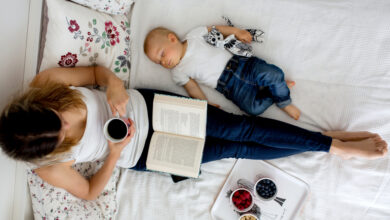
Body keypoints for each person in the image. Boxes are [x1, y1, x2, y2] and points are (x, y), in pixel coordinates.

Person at [0, 66, 387, 200]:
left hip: (152, 107)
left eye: (58, 117)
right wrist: (115, 154)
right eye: (61, 135)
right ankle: (326, 145)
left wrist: (114, 87)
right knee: (237, 149)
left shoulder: (47, 81)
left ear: (36, 103)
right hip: (145, 154)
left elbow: (100, 75)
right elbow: (88, 192)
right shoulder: (47, 165)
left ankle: (333, 147)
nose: (67, 126)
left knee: (244, 128)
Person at [143, 26, 301, 119]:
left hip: (241, 64)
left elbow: (217, 29)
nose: (163, 62)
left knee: (273, 73)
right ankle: (274, 90)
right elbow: (192, 88)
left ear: (172, 39)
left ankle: (284, 101)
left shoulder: (194, 36)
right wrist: (205, 103)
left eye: (162, 54)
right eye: (159, 62)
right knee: (253, 109)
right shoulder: (178, 72)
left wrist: (237, 32)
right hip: (229, 87)